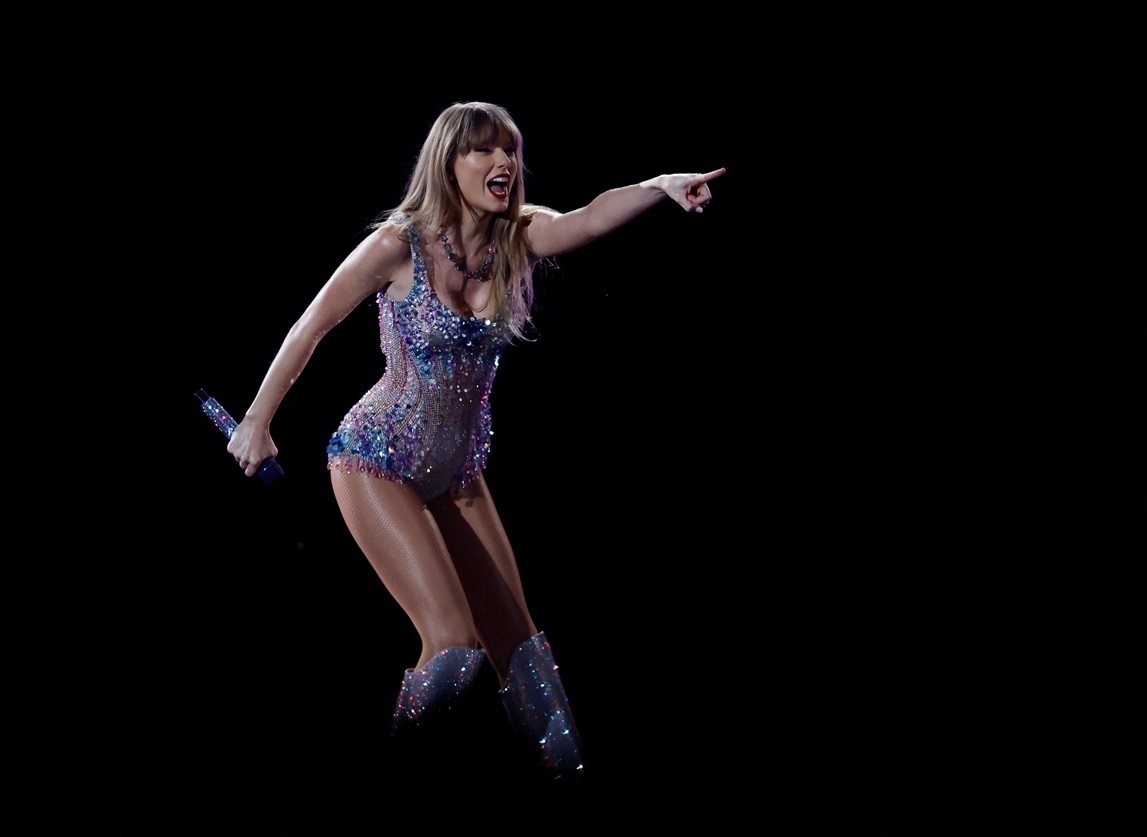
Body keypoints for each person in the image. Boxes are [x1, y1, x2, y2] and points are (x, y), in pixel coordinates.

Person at [225, 101, 725, 780]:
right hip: (376, 458)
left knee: (528, 663)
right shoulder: (398, 244)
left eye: (509, 150)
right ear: (447, 163)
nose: (502, 163)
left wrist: (659, 186)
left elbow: (585, 218)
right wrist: (257, 420)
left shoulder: (516, 236)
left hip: (459, 473)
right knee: (454, 649)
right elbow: (311, 324)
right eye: (483, 150)